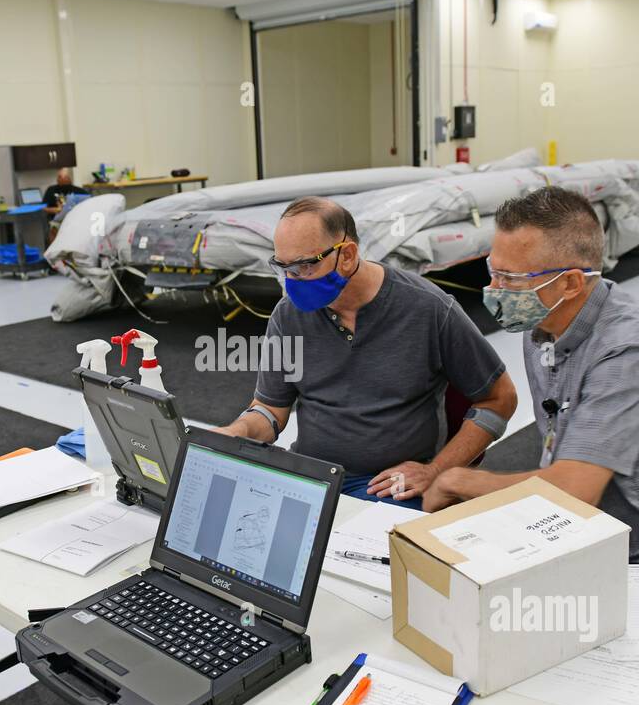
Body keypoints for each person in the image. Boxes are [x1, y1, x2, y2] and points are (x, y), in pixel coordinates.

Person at [422, 186, 639, 564]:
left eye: (510, 279)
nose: (495, 291)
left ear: (571, 283)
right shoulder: (542, 323)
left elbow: (576, 489)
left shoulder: (629, 347)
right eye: (492, 272)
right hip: (572, 527)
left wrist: (460, 480)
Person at [215, 196, 517, 510]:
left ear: (346, 255)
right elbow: (269, 410)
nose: (292, 281)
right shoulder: (288, 315)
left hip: (390, 485)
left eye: (305, 266)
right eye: (283, 267)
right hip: (314, 478)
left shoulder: (428, 309)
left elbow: (500, 398)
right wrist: (236, 433)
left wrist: (437, 471)